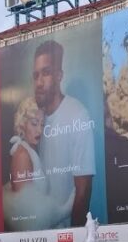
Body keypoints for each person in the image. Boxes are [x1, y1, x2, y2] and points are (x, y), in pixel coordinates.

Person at [33, 40, 95, 228]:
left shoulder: (77, 114)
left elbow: (83, 191)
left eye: (46, 73)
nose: (39, 82)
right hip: (38, 234)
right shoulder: (34, 119)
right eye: (35, 75)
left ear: (59, 75)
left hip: (65, 238)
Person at [3, 98, 66, 231]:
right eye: (34, 123)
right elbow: (25, 215)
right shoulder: (22, 155)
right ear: (22, 125)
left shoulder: (30, 151)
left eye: (42, 124)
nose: (39, 130)